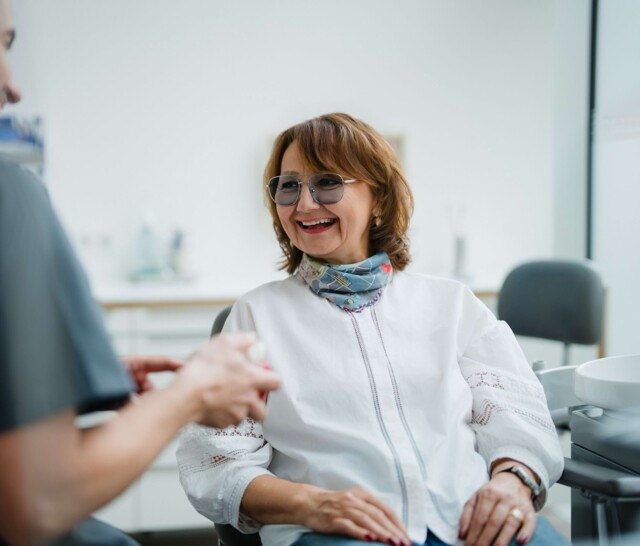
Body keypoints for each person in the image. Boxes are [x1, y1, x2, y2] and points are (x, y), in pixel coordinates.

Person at [0, 1, 279, 545]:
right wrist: (189, 392)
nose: (14, 87)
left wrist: (38, 385)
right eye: (5, 44)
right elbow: (38, 503)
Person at [177, 113, 568, 546]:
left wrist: (512, 482)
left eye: (327, 183)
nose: (304, 204)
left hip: (469, 521)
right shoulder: (256, 315)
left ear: (378, 197)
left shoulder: (451, 304)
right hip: (335, 533)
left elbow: (519, 413)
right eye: (288, 186)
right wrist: (312, 504)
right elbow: (214, 461)